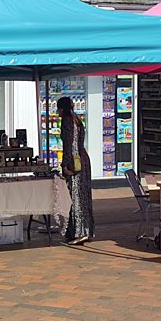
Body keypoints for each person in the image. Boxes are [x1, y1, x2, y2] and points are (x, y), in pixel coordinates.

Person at [57, 96, 95, 245]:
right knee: (84, 196)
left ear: (63, 109)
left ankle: (78, 232)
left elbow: (69, 145)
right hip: (83, 159)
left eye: (59, 108)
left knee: (75, 197)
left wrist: (65, 165)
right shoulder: (77, 120)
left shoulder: (67, 121)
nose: (58, 112)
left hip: (74, 163)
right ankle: (87, 229)